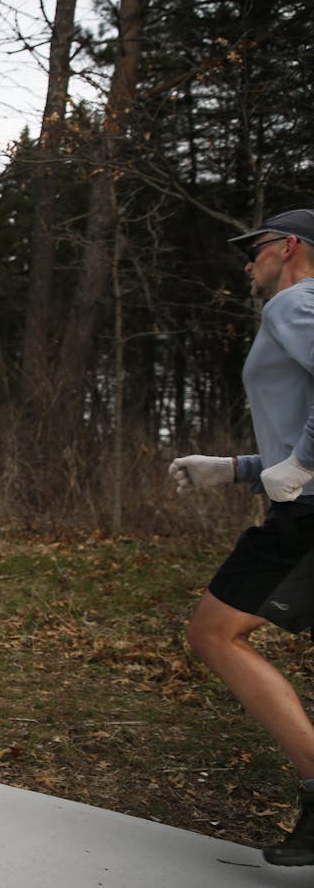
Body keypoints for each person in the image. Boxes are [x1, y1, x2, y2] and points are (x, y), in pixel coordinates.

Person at [169, 207, 314, 867]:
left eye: (254, 249)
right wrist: (234, 469)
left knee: (212, 631)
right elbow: (292, 437)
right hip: (300, 503)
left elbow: (301, 454)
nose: (246, 262)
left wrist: (303, 465)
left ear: (290, 247)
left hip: (309, 515)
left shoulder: (294, 305)